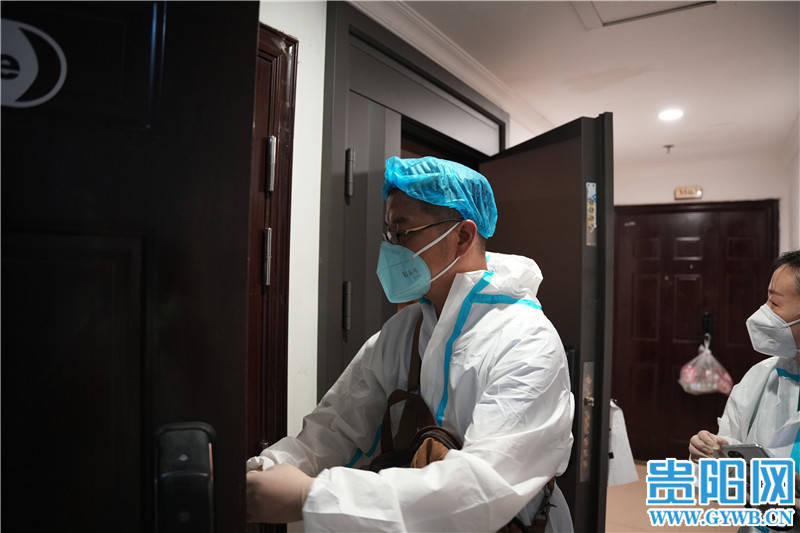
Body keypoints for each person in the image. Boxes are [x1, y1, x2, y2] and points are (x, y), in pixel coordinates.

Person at [245, 156, 575, 532]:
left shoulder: (526, 341)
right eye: (388, 234)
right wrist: (267, 470)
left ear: (463, 238)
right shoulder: (404, 331)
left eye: (402, 233)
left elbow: (478, 490)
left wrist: (312, 496)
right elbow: (337, 428)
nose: (391, 250)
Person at [689, 250, 800, 532]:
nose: (763, 312)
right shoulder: (762, 377)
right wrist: (707, 454)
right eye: (767, 299)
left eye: (775, 303)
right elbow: (724, 472)